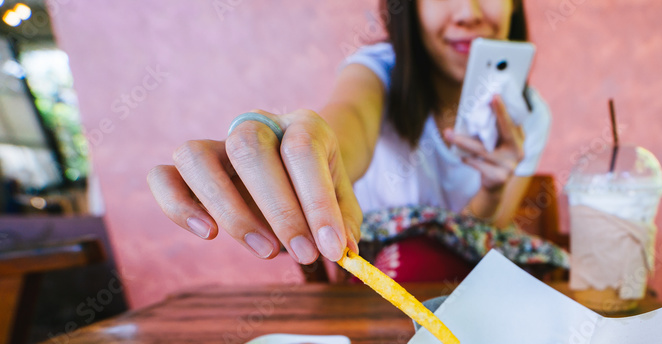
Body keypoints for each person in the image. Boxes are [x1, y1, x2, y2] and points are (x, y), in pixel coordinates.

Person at [147, 0, 551, 276]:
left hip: (459, 293)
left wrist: (494, 188)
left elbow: (475, 237)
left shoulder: (528, 113)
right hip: (377, 300)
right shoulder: (375, 73)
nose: (469, 12)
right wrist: (300, 148)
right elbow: (344, 128)